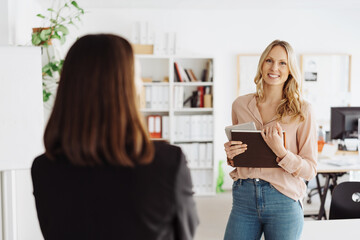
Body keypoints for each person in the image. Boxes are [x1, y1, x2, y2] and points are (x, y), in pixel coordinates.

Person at [31, 34, 199, 240]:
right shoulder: (167, 162)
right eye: (137, 75)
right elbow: (186, 232)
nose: (141, 84)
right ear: (127, 88)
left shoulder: (43, 169)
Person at [223, 40, 317, 240]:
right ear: (261, 65)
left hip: (283, 199)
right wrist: (232, 155)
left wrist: (282, 152)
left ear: (290, 69)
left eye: (283, 63)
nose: (275, 68)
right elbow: (240, 158)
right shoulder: (240, 105)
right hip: (244, 197)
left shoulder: (303, 111)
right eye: (269, 60)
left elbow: (310, 170)